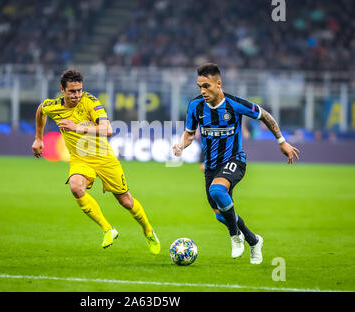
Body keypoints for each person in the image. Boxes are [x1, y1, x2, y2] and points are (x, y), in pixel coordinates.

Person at [173, 63, 299, 264]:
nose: (203, 91)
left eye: (206, 86)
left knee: (217, 191)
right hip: (211, 166)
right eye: (199, 87)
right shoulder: (195, 106)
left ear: (219, 83)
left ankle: (235, 236)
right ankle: (254, 240)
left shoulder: (234, 104)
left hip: (234, 160)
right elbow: (189, 133)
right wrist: (181, 145)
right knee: (221, 215)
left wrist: (281, 141)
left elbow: (265, 115)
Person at [32, 69, 160, 254]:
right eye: (72, 91)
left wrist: (76, 127)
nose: (77, 95)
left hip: (103, 157)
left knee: (126, 201)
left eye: (79, 90)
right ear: (62, 90)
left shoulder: (90, 102)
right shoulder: (53, 105)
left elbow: (107, 130)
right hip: (80, 159)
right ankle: (108, 229)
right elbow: (40, 110)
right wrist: (39, 138)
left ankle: (148, 230)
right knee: (75, 187)